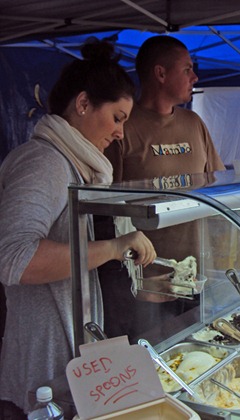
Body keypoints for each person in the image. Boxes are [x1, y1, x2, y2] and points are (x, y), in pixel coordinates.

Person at [0, 39, 156, 416]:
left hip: (78, 352)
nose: (121, 132)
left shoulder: (78, 166)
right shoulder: (45, 163)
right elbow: (13, 259)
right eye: (118, 118)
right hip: (46, 359)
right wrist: (116, 247)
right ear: (83, 104)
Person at [100, 35, 225, 339]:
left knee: (198, 354)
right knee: (151, 360)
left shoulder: (194, 123)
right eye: (187, 69)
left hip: (196, 275)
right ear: (160, 73)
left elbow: (219, 186)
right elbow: (102, 207)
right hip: (146, 282)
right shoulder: (123, 127)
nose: (194, 77)